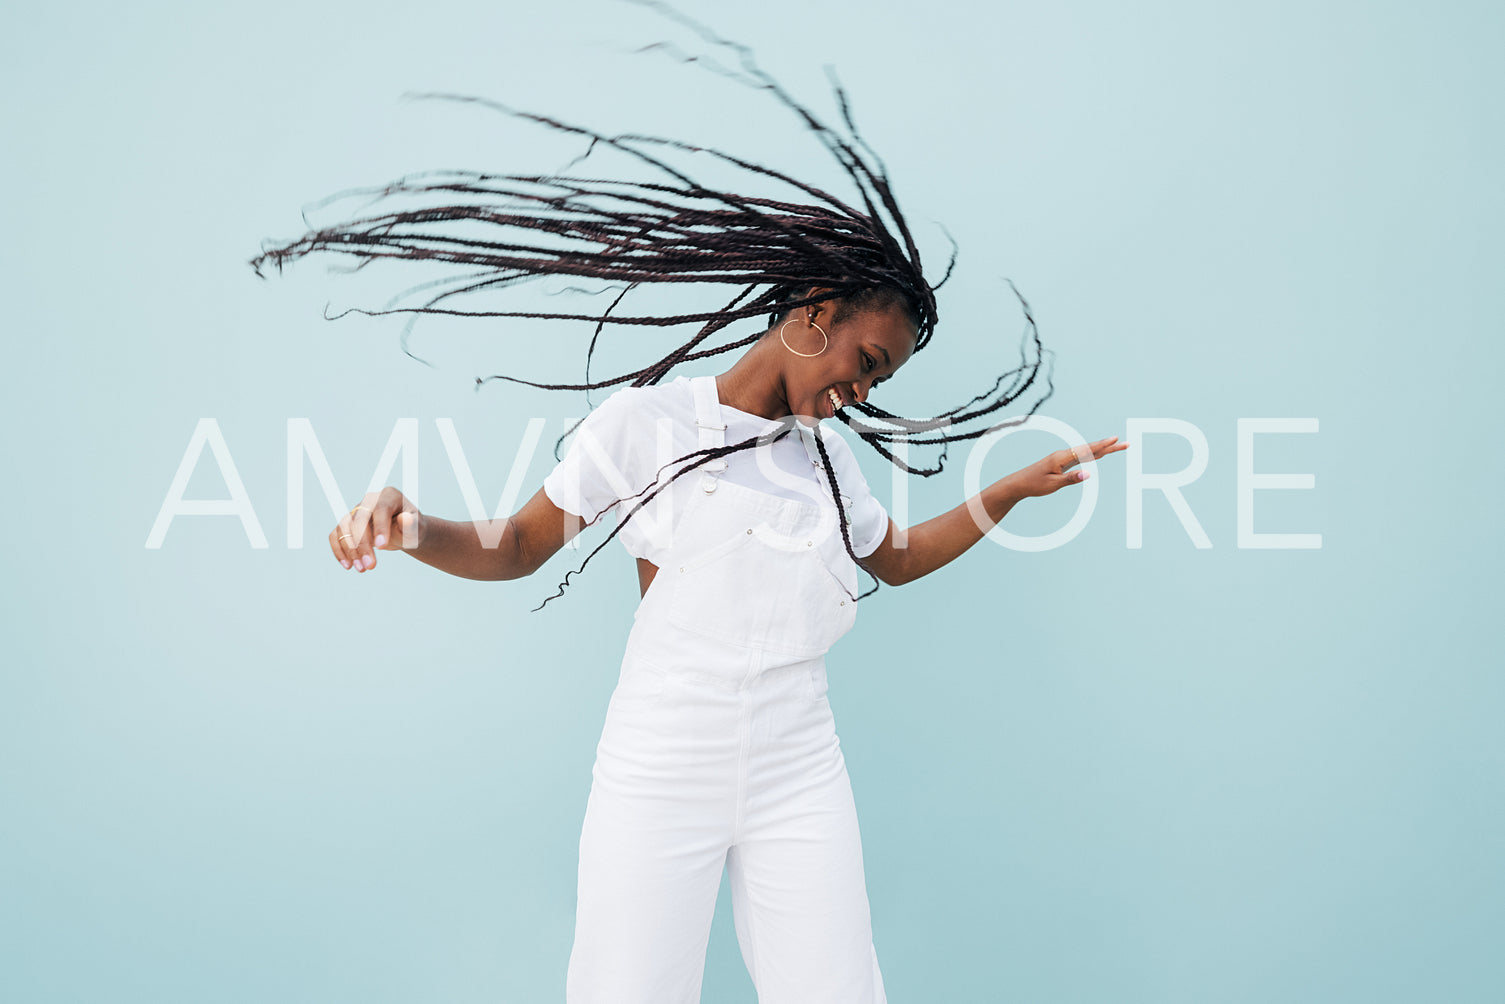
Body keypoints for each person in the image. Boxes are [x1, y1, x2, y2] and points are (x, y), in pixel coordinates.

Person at [251, 8, 1128, 1000]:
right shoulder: (645, 424)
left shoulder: (827, 462)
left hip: (800, 761)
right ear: (813, 312)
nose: (865, 390)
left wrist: (1006, 492)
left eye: (880, 378)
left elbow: (896, 557)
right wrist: (410, 527)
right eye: (865, 359)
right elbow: (519, 544)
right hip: (663, 758)